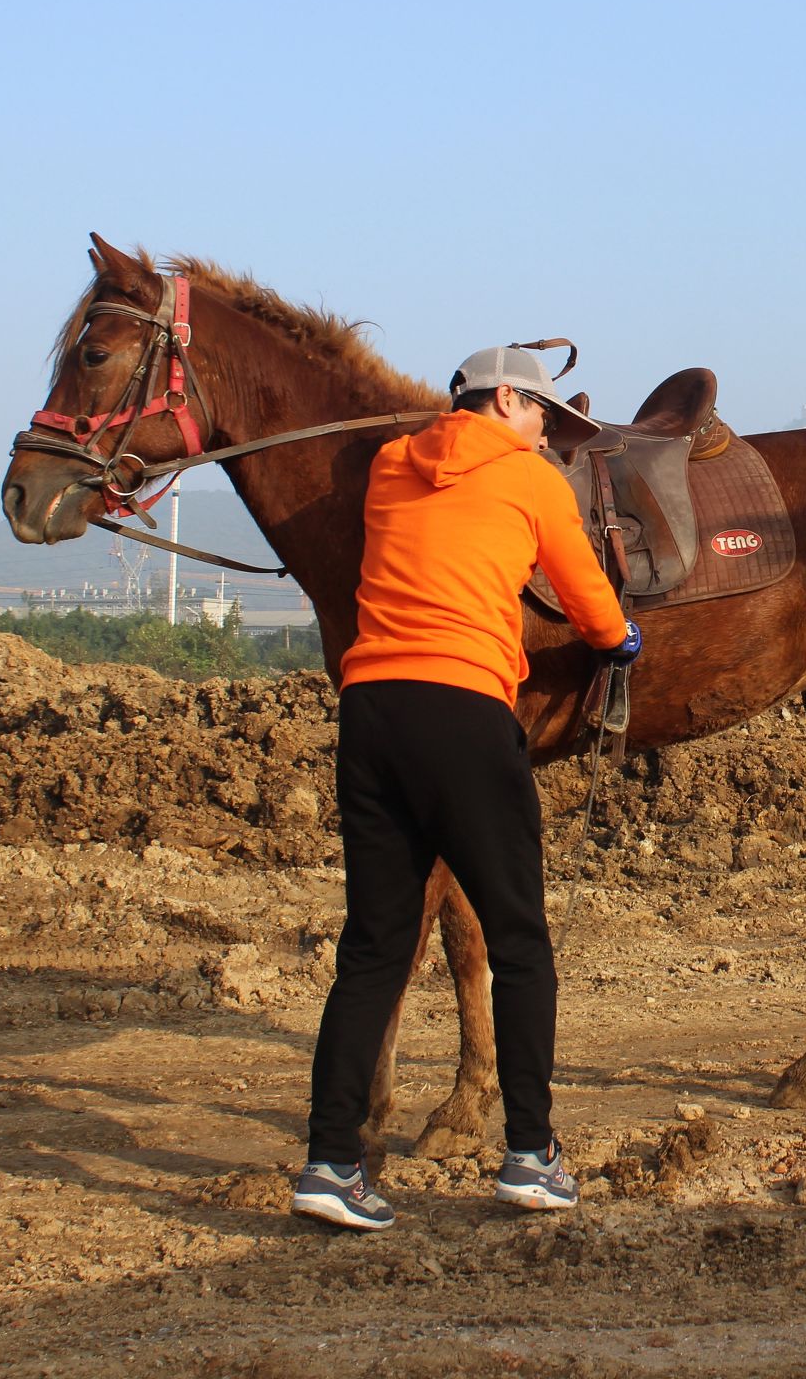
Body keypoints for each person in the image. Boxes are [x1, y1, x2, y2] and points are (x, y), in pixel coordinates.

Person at [292, 346, 642, 1233]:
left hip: (370, 710)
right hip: (463, 709)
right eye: (542, 416)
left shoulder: (387, 469)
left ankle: (331, 1166)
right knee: (520, 938)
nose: (547, 434)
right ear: (508, 402)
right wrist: (617, 640)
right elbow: (582, 590)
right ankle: (531, 1156)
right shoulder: (533, 482)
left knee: (372, 949)